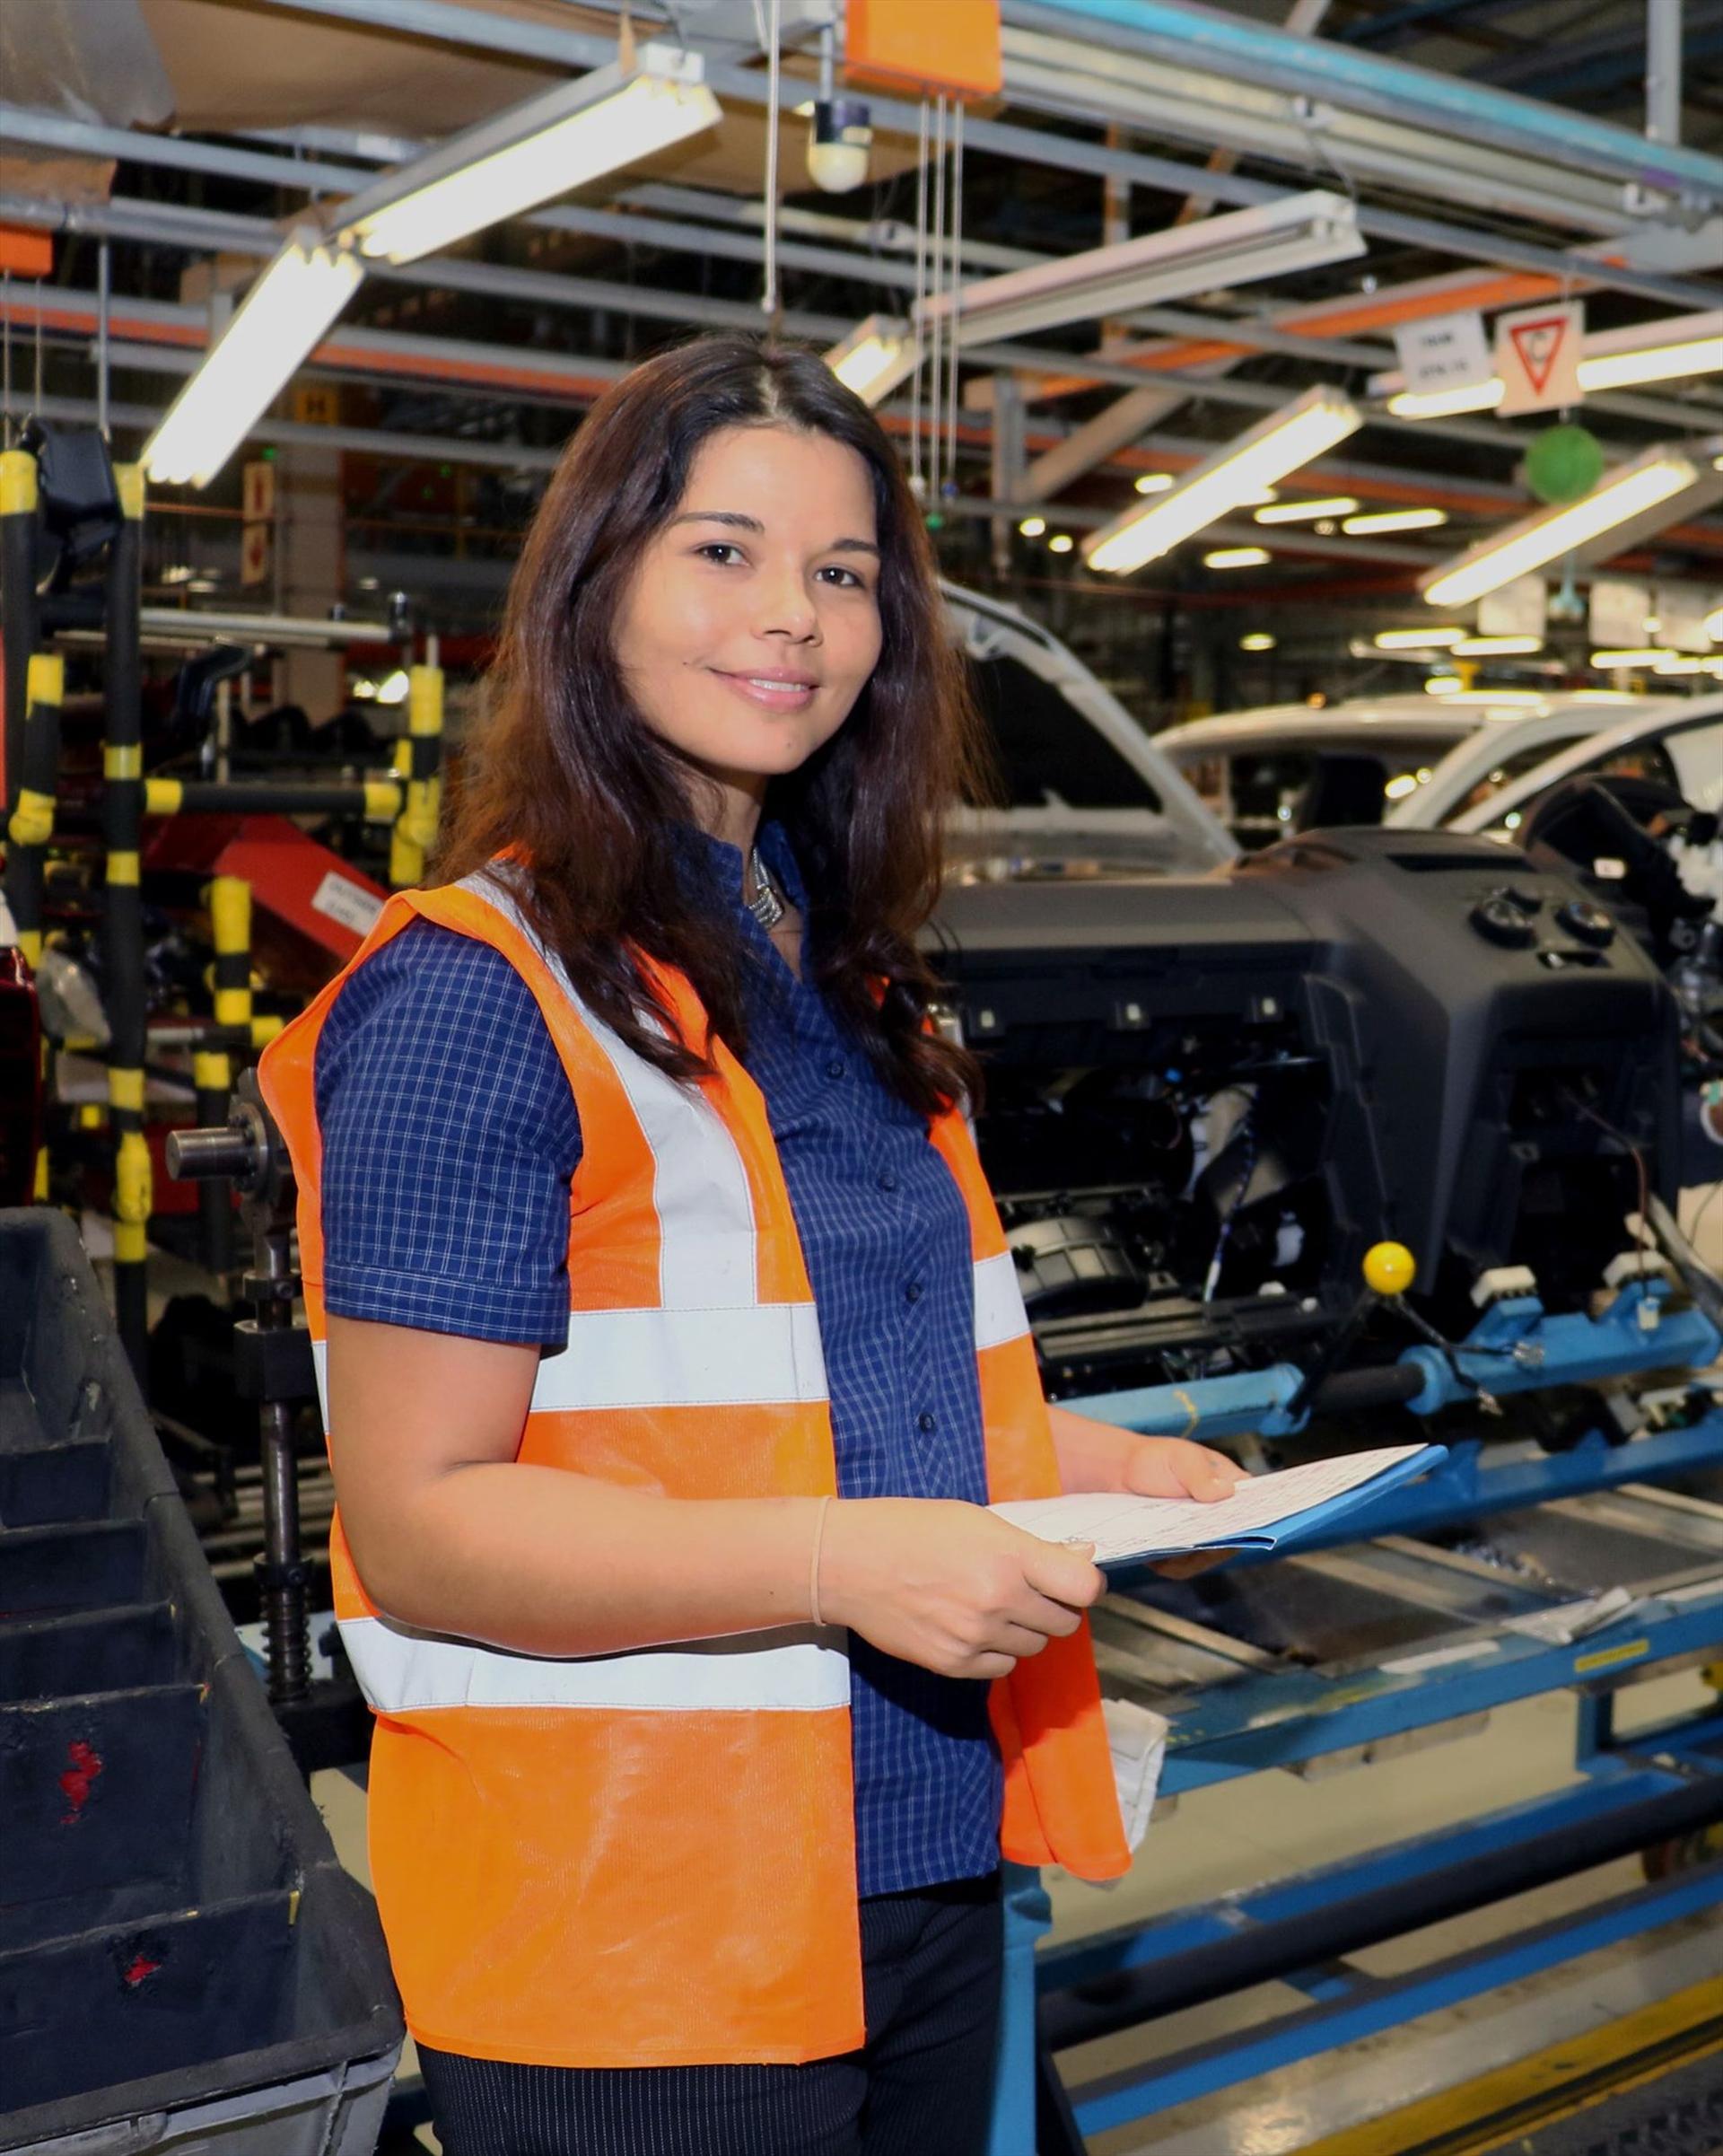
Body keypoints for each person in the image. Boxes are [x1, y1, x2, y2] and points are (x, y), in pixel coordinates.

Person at [260, 335, 1246, 2156]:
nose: (791, 613)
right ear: (597, 583)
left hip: (915, 1866)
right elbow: (424, 1520)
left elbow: (826, 1390)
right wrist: (838, 1560)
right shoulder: (473, 999)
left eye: (844, 570)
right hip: (635, 1940)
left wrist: (1112, 1475)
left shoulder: (839, 969)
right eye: (723, 550)